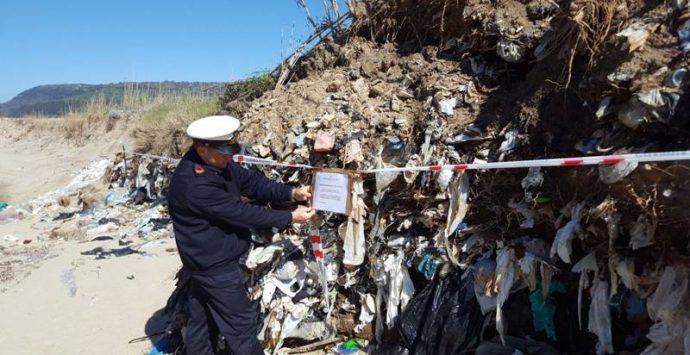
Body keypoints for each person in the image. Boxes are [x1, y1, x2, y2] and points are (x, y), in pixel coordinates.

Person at [167, 115, 315, 355]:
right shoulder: (195, 184)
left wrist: (291, 192)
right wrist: (290, 217)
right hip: (213, 265)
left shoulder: (218, 162)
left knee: (201, 321)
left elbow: (251, 183)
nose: (230, 156)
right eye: (225, 151)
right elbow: (242, 213)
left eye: (231, 149)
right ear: (203, 150)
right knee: (241, 326)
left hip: (203, 260)